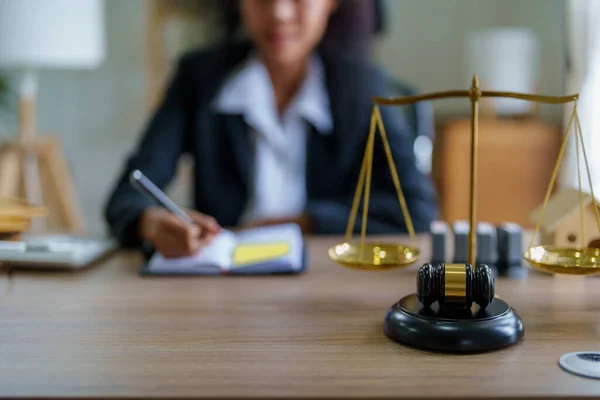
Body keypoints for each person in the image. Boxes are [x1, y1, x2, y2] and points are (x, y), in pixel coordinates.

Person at [104, 0, 438, 258]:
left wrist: (301, 222)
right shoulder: (199, 78)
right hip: (218, 295)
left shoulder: (364, 86)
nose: (279, 12)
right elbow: (126, 197)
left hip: (324, 288)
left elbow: (418, 211)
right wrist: (150, 224)